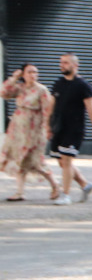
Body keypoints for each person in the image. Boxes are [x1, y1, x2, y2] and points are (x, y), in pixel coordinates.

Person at [1, 64, 61, 202]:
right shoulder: (20, 88)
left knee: (35, 161)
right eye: (29, 72)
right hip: (17, 130)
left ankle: (55, 184)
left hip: (33, 131)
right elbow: (4, 93)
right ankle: (20, 192)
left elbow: (47, 110)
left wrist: (47, 128)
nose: (33, 75)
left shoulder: (41, 90)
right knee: (19, 159)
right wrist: (13, 78)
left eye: (35, 72)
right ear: (24, 74)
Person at [49, 53, 92, 205]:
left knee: (66, 161)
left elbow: (91, 109)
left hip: (74, 129)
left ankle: (65, 195)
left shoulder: (83, 85)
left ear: (75, 65)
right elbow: (51, 106)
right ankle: (85, 185)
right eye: (61, 62)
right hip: (59, 127)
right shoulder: (58, 83)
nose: (62, 65)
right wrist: (47, 125)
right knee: (62, 161)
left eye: (66, 63)